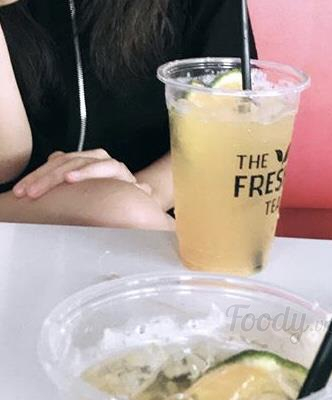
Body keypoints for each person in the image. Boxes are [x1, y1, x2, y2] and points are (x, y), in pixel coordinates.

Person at [0, 0, 256, 229]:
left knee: (120, 209)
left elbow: (233, 124)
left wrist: (143, 192)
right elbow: (7, 162)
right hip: (16, 206)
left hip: (147, 213)